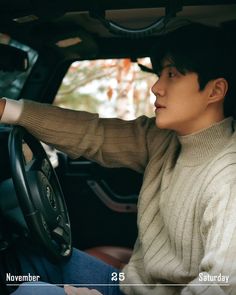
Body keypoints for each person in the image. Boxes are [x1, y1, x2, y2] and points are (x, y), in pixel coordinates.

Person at [0, 22, 236, 295]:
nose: (157, 87)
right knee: (21, 258)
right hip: (126, 287)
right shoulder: (163, 140)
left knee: (30, 292)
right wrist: (7, 109)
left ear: (215, 91)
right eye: (160, 74)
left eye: (172, 74)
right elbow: (92, 134)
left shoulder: (227, 177)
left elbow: (222, 284)